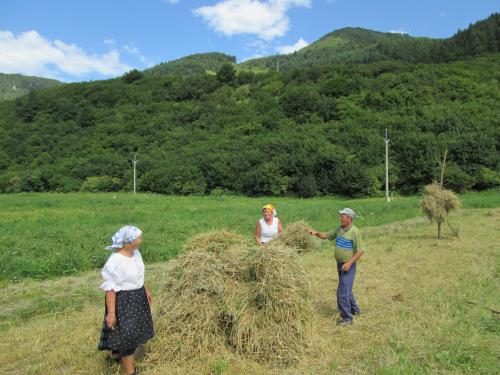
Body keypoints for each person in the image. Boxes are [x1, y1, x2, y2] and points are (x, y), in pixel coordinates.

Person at [98, 225, 154, 375]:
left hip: (138, 297)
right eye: (139, 238)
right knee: (128, 336)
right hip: (124, 301)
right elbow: (110, 289)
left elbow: (138, 274)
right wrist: (111, 313)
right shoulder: (116, 260)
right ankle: (129, 372)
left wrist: (145, 289)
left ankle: (115, 355)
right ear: (129, 242)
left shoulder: (136, 254)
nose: (141, 240)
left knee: (133, 332)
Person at [309, 208, 365, 326]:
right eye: (341, 216)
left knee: (342, 293)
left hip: (348, 266)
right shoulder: (339, 229)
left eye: (342, 216)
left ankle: (347, 319)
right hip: (340, 265)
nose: (340, 218)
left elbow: (360, 251)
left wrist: (349, 263)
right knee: (346, 289)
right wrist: (316, 233)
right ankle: (355, 310)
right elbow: (327, 235)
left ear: (349, 218)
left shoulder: (355, 232)